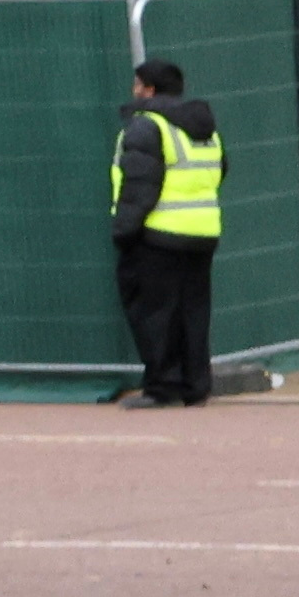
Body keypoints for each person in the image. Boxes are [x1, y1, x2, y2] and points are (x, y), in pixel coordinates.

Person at [106, 55, 224, 408]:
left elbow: (139, 186)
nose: (133, 90)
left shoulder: (147, 126)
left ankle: (162, 387)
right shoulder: (204, 127)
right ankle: (195, 385)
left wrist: (124, 232)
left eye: (137, 83)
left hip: (158, 235)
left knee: (154, 314)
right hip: (202, 232)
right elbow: (220, 171)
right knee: (193, 311)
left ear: (150, 89)